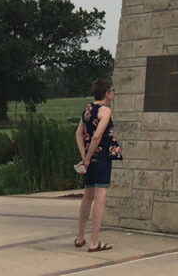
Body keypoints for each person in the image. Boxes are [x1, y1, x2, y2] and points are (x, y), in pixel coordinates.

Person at [74, 77, 116, 252]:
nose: (113, 94)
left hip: (89, 159)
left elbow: (78, 133)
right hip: (101, 158)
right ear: (106, 93)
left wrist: (84, 156)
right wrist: (89, 157)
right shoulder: (105, 111)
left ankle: (80, 237)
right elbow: (98, 136)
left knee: (87, 196)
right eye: (112, 91)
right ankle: (94, 242)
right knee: (99, 199)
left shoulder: (88, 110)